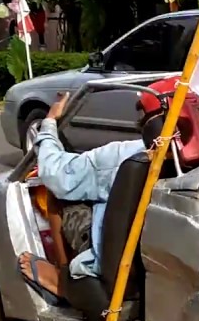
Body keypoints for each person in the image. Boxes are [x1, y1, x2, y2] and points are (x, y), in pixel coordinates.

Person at [17, 93, 147, 299]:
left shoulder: (128, 154)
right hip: (154, 266)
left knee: (55, 191)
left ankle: (63, 279)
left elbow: (56, 174)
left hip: (117, 264)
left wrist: (50, 121)